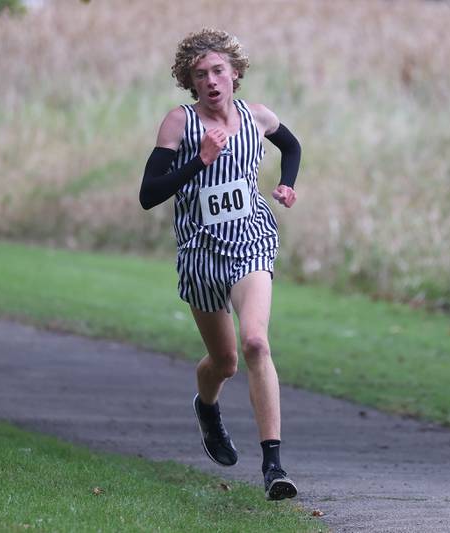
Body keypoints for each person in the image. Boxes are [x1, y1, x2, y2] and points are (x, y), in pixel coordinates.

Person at [139, 28, 301, 501]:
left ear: (235, 73)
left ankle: (273, 466)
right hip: (201, 254)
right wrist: (200, 161)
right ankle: (206, 406)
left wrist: (287, 184)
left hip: (251, 242)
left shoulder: (257, 117)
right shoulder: (179, 124)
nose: (210, 81)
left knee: (255, 342)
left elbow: (291, 147)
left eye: (217, 71)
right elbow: (149, 195)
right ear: (190, 83)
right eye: (200, 74)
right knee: (226, 362)